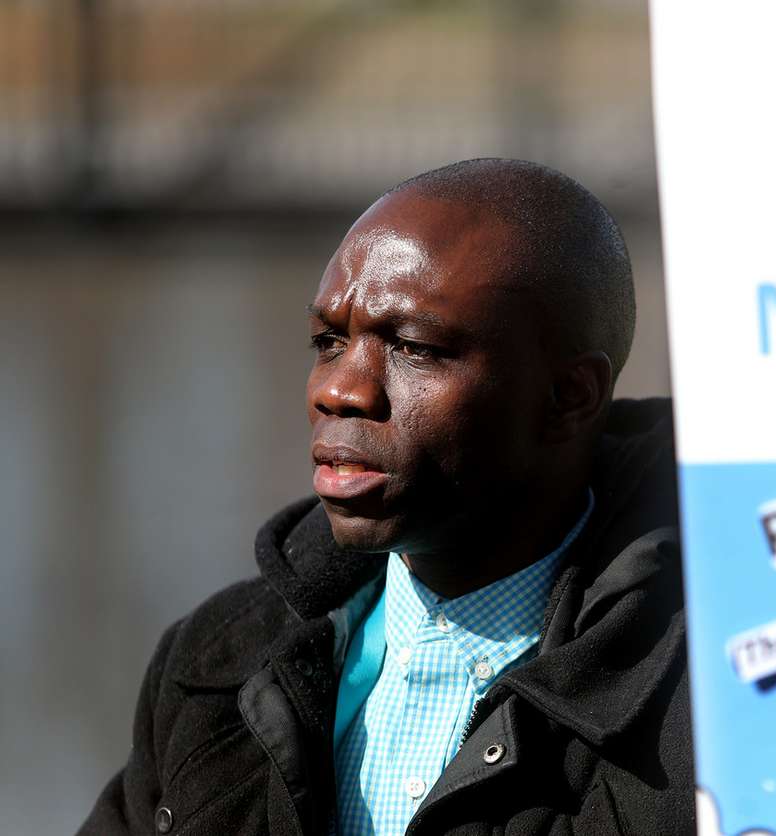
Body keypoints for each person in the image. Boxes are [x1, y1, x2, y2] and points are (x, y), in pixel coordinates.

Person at [80, 159, 694, 835]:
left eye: (412, 347)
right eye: (328, 341)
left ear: (569, 396)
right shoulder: (214, 667)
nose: (340, 390)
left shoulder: (709, 698)